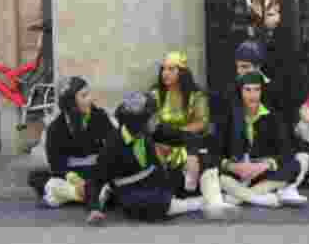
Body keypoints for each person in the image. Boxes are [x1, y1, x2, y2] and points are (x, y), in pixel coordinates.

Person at [85, 92, 231, 225]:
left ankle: (216, 205)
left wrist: (192, 155)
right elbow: (94, 181)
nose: (156, 120)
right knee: (150, 204)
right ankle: (202, 203)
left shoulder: (152, 129)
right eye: (152, 117)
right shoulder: (113, 145)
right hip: (136, 193)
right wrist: (94, 209)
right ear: (138, 123)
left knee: (205, 159)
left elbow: (188, 137)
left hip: (160, 181)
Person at [199, 69, 309, 208]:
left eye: (257, 90)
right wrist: (232, 166)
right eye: (248, 90)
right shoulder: (228, 116)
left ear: (262, 91)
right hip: (236, 171)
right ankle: (258, 199)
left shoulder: (273, 116)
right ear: (240, 91)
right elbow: (214, 152)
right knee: (210, 168)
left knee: (293, 166)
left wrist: (264, 165)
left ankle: (238, 198)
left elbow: (285, 151)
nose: (253, 95)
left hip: (261, 171)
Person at [30, 76, 115, 207]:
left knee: (113, 179)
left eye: (89, 94)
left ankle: (65, 195)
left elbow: (113, 147)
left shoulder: (100, 117)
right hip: (70, 174)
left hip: (96, 171)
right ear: (71, 102)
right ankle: (83, 194)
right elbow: (56, 165)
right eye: (84, 96)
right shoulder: (55, 128)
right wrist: (75, 180)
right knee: (35, 177)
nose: (90, 99)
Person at [150, 51, 210, 198]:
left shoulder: (196, 94)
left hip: (187, 142)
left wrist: (176, 134)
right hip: (161, 143)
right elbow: (152, 123)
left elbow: (201, 122)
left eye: (171, 69)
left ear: (182, 72)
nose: (166, 73)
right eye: (164, 69)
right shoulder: (155, 93)